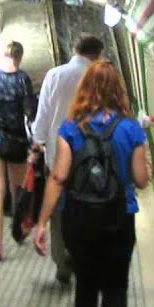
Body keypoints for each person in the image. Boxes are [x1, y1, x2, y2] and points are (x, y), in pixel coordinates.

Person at [33, 61, 151, 307]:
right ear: (119, 90)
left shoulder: (70, 129)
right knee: (115, 286)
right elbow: (141, 180)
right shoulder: (131, 129)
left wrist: (42, 222)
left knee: (86, 284)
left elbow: (58, 178)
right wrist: (147, 169)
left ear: (85, 89)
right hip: (118, 218)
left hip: (79, 219)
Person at [30, 33, 104, 283]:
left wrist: (37, 142)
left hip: (58, 155)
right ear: (97, 54)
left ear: (75, 50)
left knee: (59, 210)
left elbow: (43, 113)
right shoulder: (99, 77)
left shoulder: (55, 75)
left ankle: (62, 260)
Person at [0, 41, 34, 261]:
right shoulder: (23, 79)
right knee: (16, 189)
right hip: (17, 137)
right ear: (20, 57)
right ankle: (18, 232)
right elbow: (29, 110)